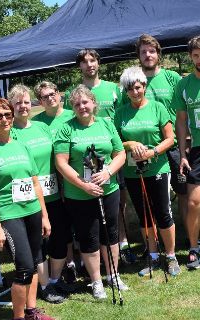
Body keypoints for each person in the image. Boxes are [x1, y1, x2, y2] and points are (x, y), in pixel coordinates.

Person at [0, 98, 54, 320]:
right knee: (24, 268)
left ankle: (31, 311)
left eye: (7, 115)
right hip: (10, 215)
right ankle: (18, 316)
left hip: (32, 211)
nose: (4, 119)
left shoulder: (22, 146)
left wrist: (45, 216)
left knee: (37, 260)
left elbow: (36, 183)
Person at [54, 84, 128, 300]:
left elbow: (120, 153)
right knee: (89, 238)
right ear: (72, 107)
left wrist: (107, 173)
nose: (82, 107)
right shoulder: (66, 128)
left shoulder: (106, 124)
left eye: (85, 102)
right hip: (79, 195)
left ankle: (113, 275)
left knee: (111, 235)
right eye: (77, 104)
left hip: (109, 189)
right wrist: (83, 185)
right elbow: (61, 163)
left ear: (94, 103)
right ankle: (96, 281)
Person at [64, 49, 134, 264]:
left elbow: (123, 117)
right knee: (87, 211)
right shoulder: (73, 93)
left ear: (98, 63)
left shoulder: (114, 89)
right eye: (84, 62)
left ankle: (120, 243)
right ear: (80, 67)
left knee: (118, 203)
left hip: (111, 154)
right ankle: (87, 250)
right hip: (83, 155)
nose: (89, 65)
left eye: (92, 60)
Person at [115, 66, 180, 277]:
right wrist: (130, 143)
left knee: (162, 212)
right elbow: (116, 142)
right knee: (144, 215)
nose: (135, 92)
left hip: (158, 168)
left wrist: (152, 152)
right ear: (125, 91)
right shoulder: (121, 113)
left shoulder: (158, 107)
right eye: (130, 89)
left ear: (144, 86)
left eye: (138, 87)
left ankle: (170, 256)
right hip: (133, 172)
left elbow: (170, 139)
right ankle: (152, 255)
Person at [8, 84, 71, 304]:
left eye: (26, 102)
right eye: (18, 103)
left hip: (53, 195)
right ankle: (44, 286)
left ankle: (54, 279)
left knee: (60, 238)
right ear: (11, 107)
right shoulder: (10, 132)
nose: (23, 107)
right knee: (39, 245)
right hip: (29, 200)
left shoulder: (42, 127)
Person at [135, 34, 188, 243]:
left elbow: (184, 109)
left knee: (183, 190)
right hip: (145, 149)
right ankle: (155, 243)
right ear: (138, 56)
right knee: (149, 197)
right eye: (143, 52)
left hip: (173, 145)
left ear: (158, 53)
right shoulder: (135, 81)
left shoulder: (172, 77)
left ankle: (187, 234)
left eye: (151, 51)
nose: (147, 55)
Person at [33, 81, 77, 283]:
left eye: (53, 93)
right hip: (49, 181)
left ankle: (78, 259)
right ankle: (68, 262)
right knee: (61, 223)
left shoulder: (72, 114)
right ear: (40, 102)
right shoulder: (37, 123)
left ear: (59, 95)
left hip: (73, 175)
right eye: (44, 96)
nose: (50, 98)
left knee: (75, 219)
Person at [174, 35, 200, 269]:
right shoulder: (183, 85)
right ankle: (194, 247)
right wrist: (183, 153)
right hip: (198, 150)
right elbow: (181, 123)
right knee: (193, 202)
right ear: (191, 57)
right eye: (196, 55)